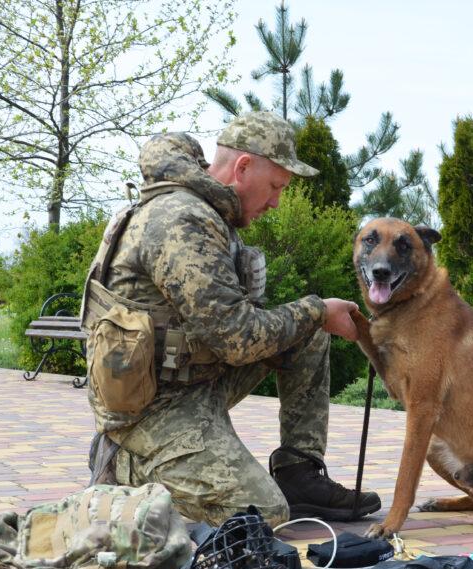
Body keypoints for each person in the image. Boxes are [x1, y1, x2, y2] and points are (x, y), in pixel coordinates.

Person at [83, 111, 381, 527]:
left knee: (306, 333)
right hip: (153, 410)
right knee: (261, 514)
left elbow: (236, 329)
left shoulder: (205, 212)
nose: (276, 202)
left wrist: (314, 318)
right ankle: (128, 467)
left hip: (193, 386)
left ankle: (298, 472)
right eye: (275, 186)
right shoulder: (181, 218)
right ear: (243, 168)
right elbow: (237, 338)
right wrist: (317, 309)